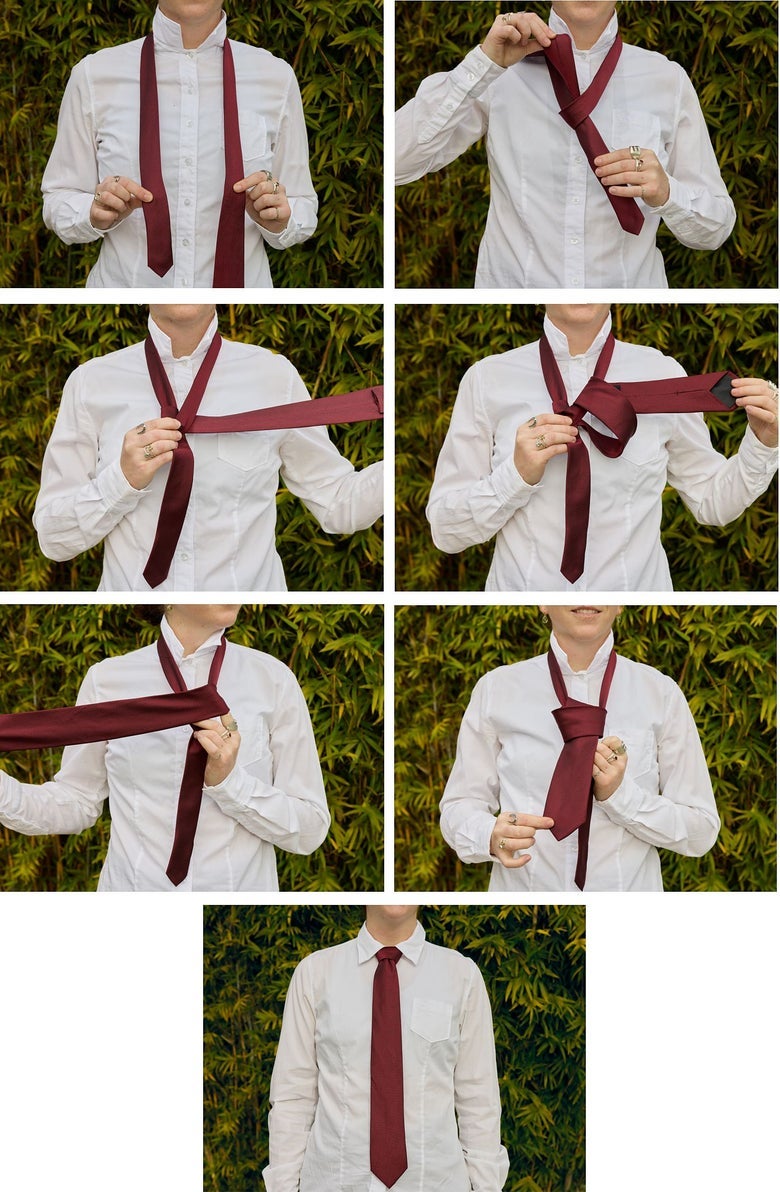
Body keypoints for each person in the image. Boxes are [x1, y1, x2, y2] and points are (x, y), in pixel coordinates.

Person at [426, 303, 778, 591]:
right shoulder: (488, 379)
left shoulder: (663, 375)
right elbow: (445, 530)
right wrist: (515, 476)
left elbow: (711, 502)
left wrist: (764, 443)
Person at [32, 303, 383, 591]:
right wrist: (121, 480)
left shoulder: (273, 377)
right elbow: (54, 538)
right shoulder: (92, 382)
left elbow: (338, 503)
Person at [395, 2, 735, 287]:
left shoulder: (666, 79)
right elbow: (395, 162)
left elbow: (716, 227)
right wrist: (483, 64)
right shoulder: (500, 72)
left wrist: (667, 193)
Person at [0, 604, 330, 892]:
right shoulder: (108, 680)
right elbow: (77, 802)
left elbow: (310, 828)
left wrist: (230, 784)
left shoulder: (271, 679)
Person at [439, 606, 720, 892]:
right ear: (543, 604)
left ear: (621, 604)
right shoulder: (496, 689)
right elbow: (458, 806)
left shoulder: (660, 693)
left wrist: (621, 798)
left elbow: (701, 829)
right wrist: (488, 834)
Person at [41, 2, 317, 287]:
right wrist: (93, 212)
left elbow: (303, 206)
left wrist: (280, 219)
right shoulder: (93, 76)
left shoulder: (276, 78)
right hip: (123, 287)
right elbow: (59, 197)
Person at [263, 904, 509, 1190]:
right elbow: (293, 1098)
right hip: (334, 1182)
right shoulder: (315, 974)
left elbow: (479, 1099)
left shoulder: (461, 976)